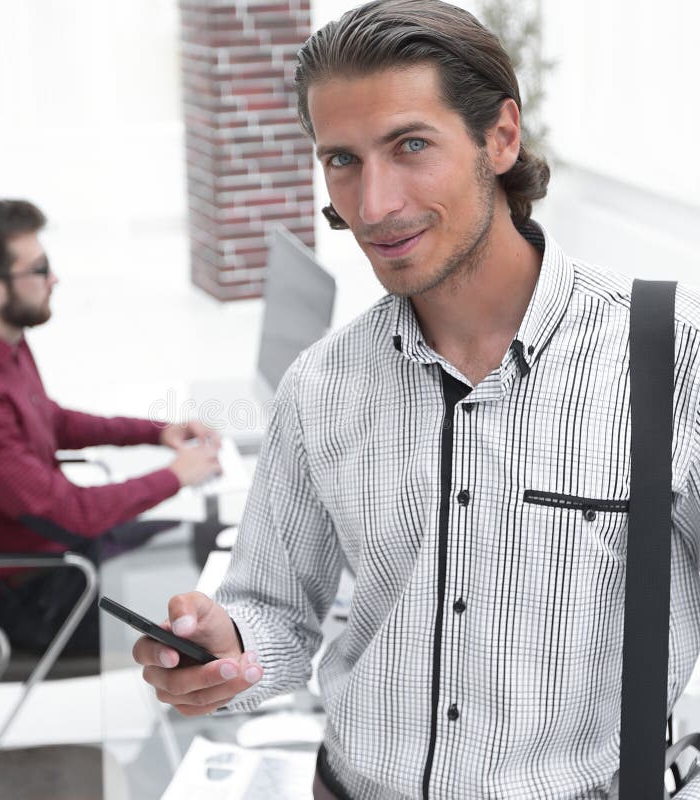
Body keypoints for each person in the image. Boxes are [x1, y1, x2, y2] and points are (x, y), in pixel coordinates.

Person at [133, 1, 700, 798]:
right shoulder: (321, 384)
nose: (373, 206)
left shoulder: (673, 360)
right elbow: (273, 612)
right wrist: (226, 649)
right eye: (342, 160)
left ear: (500, 136)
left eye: (410, 146)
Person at [0, 195, 221, 656]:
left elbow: (51, 421)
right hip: (46, 597)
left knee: (232, 546)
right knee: (236, 590)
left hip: (71, 555)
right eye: (40, 268)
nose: (54, 278)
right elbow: (72, 513)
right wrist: (175, 476)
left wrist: (154, 431)